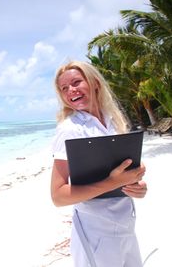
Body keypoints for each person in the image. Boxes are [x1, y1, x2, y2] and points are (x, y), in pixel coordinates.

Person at [50, 61, 148, 267]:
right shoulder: (70, 129)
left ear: (94, 82)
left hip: (125, 223)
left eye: (76, 82)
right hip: (95, 231)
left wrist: (136, 186)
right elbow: (58, 196)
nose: (71, 91)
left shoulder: (113, 120)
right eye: (64, 88)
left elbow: (121, 174)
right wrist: (113, 182)